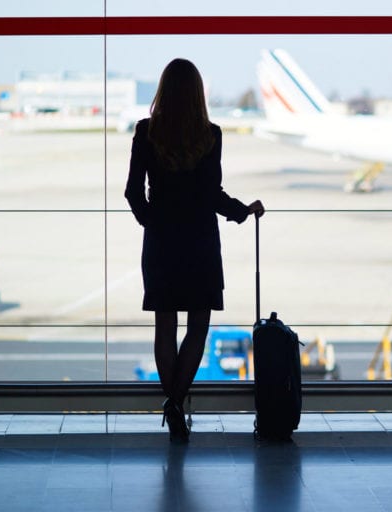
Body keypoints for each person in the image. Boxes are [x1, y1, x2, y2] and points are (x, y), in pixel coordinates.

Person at [125, 58, 264, 443]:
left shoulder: (146, 132)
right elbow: (212, 194)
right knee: (198, 326)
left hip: (162, 243)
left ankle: (172, 405)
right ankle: (174, 403)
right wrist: (242, 211)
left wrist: (151, 222)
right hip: (200, 242)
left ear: (164, 91)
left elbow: (133, 192)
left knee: (164, 326)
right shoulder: (211, 135)